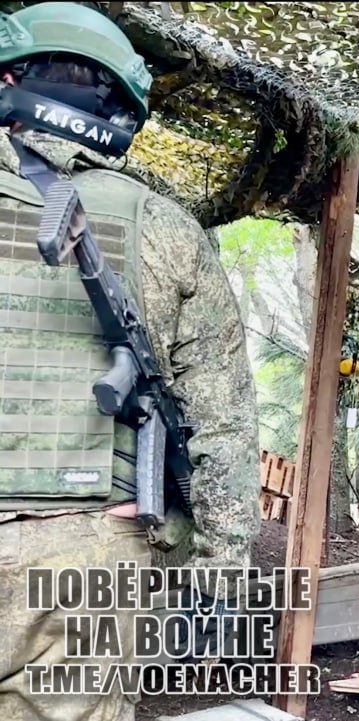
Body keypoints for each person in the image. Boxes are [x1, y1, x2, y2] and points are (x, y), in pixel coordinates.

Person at [0, 3, 261, 720]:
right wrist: (218, 578)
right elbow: (224, 427)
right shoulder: (167, 230)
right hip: (84, 550)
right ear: (124, 108)